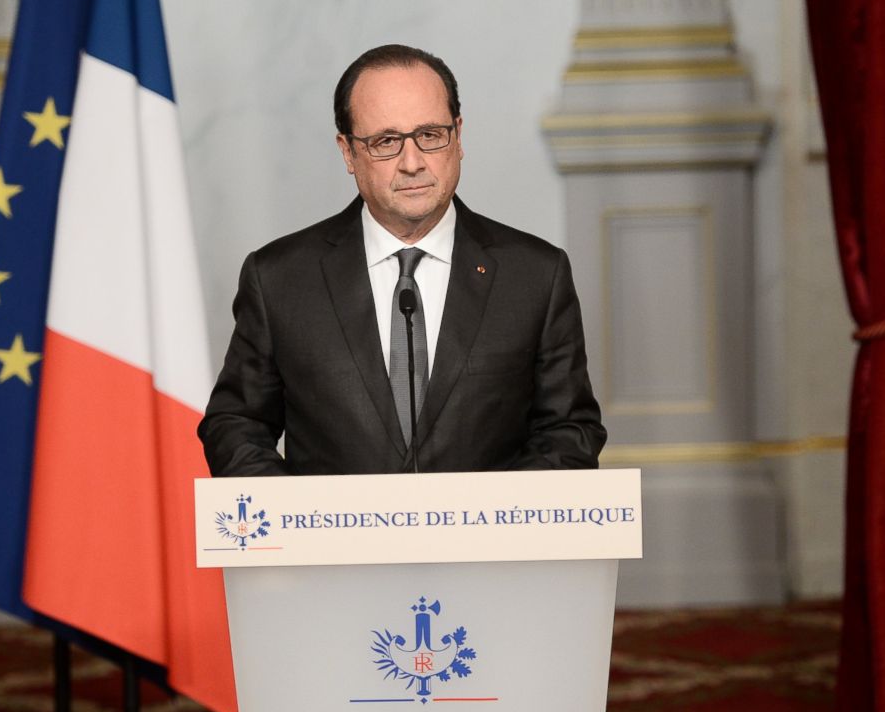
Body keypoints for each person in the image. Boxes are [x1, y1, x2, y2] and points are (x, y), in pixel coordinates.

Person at [199, 44, 606, 476]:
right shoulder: (280, 279)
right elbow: (236, 424)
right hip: (335, 542)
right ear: (348, 152)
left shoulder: (535, 276)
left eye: (430, 135)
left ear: (458, 136)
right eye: (386, 142)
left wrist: (492, 522)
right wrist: (300, 524)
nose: (412, 163)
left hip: (486, 542)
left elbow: (570, 432)